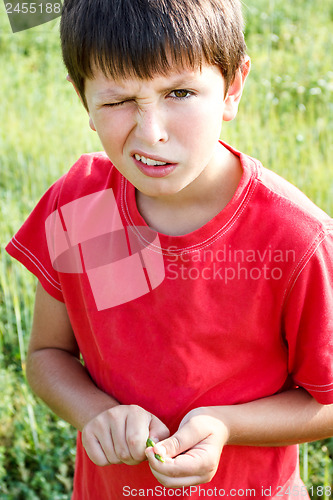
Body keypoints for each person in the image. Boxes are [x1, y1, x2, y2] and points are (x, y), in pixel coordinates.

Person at [6, 0, 333, 498]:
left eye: (179, 92)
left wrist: (225, 425)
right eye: (118, 101)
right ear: (83, 100)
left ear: (232, 87)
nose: (151, 131)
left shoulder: (297, 239)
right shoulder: (78, 205)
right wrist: (96, 413)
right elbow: (48, 354)